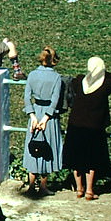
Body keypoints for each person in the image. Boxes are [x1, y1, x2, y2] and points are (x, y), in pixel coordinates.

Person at [63, 56, 111, 200]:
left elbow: (75, 79)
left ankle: (79, 189)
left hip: (75, 124)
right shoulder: (106, 84)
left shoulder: (80, 82)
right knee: (92, 158)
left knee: (76, 157)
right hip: (94, 126)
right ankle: (89, 190)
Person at [23, 47, 64, 196]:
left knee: (33, 147)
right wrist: (46, 118)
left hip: (35, 112)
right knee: (47, 149)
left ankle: (31, 185)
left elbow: (27, 97)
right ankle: (43, 186)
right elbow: (55, 99)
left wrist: (32, 116)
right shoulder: (56, 77)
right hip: (48, 116)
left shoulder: (32, 75)